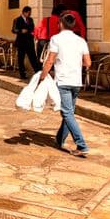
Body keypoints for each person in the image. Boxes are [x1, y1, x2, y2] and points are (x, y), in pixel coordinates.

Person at [39, 13, 91, 157]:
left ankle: (81, 145)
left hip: (63, 81)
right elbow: (88, 63)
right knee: (69, 113)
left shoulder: (56, 39)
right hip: (76, 81)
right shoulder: (81, 41)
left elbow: (50, 60)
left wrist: (42, 76)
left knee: (67, 113)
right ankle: (59, 139)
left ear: (61, 24)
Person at [12, 5, 41, 79]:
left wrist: (33, 33)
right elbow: (13, 30)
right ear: (24, 12)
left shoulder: (30, 19)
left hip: (29, 42)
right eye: (28, 13)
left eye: (30, 13)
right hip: (21, 42)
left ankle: (37, 72)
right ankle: (22, 74)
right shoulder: (17, 20)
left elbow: (32, 28)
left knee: (33, 57)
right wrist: (20, 31)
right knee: (21, 59)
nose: (29, 14)